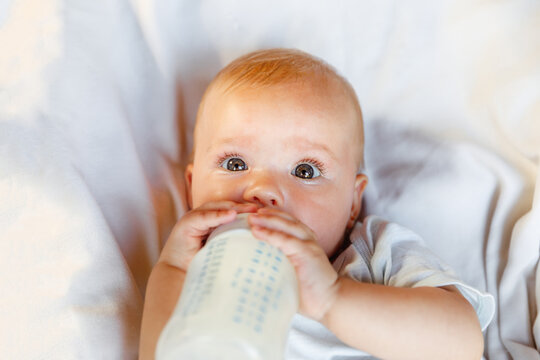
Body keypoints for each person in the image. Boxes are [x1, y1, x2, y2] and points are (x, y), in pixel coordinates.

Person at [139, 48, 494, 360]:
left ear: (353, 203)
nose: (262, 190)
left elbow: (462, 342)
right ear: (191, 189)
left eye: (305, 170)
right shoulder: (203, 271)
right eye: (235, 164)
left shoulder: (371, 252)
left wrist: (333, 299)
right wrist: (172, 271)